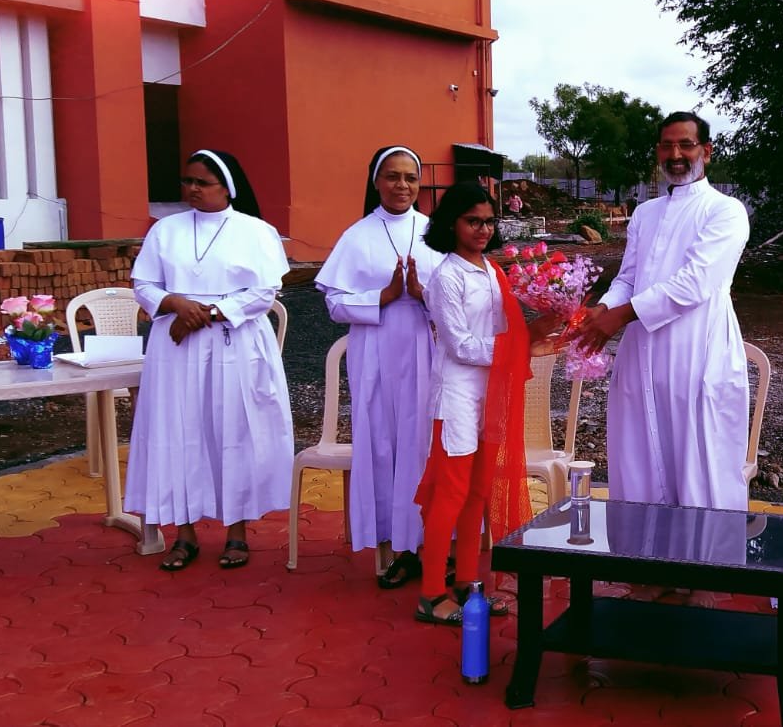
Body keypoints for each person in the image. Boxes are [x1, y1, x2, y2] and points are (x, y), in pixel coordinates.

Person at [126, 149, 293, 572]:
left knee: (232, 431)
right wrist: (176, 304)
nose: (192, 189)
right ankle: (184, 534)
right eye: (187, 182)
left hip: (234, 344)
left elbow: (263, 292)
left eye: (202, 182)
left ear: (227, 188)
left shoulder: (256, 231)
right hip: (176, 346)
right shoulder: (166, 230)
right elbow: (144, 283)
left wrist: (208, 313)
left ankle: (236, 533)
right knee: (178, 431)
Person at [576, 111, 751, 510]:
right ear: (657, 151)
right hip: (641, 354)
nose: (676, 155)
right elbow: (629, 277)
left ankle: (704, 548)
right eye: (667, 146)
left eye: (686, 145)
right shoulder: (645, 213)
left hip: (697, 351)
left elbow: (695, 283)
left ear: (706, 151)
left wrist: (618, 317)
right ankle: (643, 545)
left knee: (699, 465)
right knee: (639, 457)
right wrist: (600, 308)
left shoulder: (725, 211)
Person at [414, 181, 556, 624]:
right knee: (451, 493)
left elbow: (506, 330)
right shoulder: (447, 276)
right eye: (472, 221)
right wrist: (519, 348)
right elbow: (460, 345)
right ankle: (431, 593)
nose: (482, 229)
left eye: (489, 221)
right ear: (451, 224)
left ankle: (466, 583)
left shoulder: (493, 271)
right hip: (456, 396)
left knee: (478, 491)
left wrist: (542, 328)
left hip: (491, 393)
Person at [315, 145, 443, 589]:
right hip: (374, 351)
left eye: (410, 177)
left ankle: (435, 545)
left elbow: (457, 298)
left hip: (426, 348)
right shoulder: (356, 236)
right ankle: (398, 548)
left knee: (425, 443)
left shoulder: (436, 232)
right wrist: (382, 297)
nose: (402, 185)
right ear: (376, 182)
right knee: (384, 446)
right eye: (392, 176)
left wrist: (423, 294)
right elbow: (334, 305)